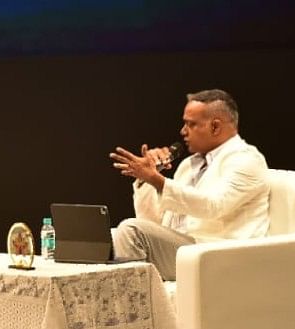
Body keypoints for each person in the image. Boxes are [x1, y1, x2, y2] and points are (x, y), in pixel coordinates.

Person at [109, 89, 270, 281]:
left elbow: (214, 206)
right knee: (116, 236)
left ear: (215, 127)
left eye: (190, 124)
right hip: (187, 251)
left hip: (219, 253)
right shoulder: (188, 165)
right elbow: (152, 222)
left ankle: (131, 307)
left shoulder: (247, 159)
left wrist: (157, 180)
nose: (183, 131)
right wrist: (147, 179)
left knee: (132, 231)